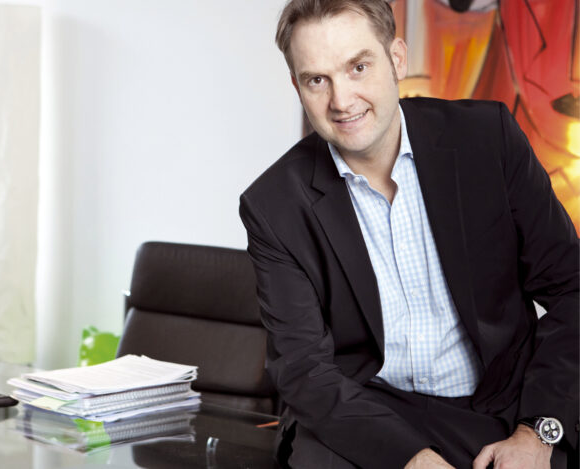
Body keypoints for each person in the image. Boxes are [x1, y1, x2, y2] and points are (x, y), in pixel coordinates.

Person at [238, 1, 579, 468]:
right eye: (317, 80)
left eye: (358, 67)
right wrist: (409, 457)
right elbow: (303, 369)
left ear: (397, 59)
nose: (341, 101)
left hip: (504, 407)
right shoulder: (273, 205)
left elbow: (571, 289)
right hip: (365, 416)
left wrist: (538, 430)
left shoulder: (488, 139)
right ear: (297, 87)